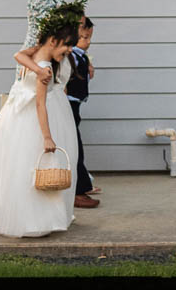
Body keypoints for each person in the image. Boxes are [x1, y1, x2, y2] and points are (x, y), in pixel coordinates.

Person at [0, 0, 87, 237]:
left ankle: (7, 211)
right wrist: (48, 137)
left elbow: (19, 54)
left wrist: (37, 68)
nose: (69, 51)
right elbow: (40, 103)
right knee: (29, 167)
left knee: (14, 165)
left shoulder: (37, 53)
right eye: (67, 46)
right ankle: (33, 218)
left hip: (17, 114)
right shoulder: (46, 68)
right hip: (33, 117)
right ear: (53, 40)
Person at [65, 16, 100, 208]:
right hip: (68, 103)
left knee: (76, 144)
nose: (87, 43)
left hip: (76, 103)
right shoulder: (68, 55)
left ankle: (83, 183)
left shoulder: (80, 56)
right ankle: (78, 189)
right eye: (84, 38)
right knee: (74, 144)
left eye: (89, 39)